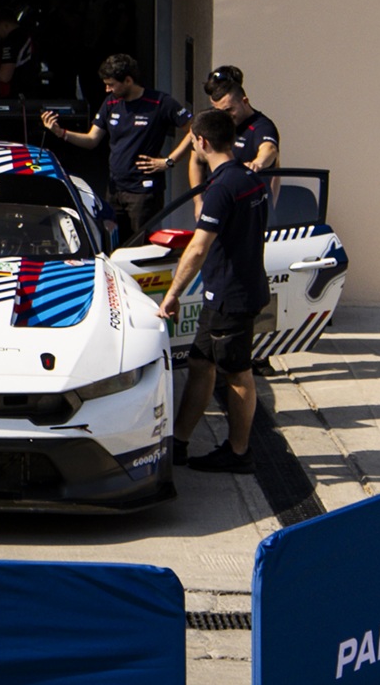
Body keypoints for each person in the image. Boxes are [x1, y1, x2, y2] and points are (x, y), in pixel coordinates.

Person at [158, 110, 269, 473]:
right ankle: (179, 443)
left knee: (237, 373)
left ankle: (239, 454)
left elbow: (198, 247)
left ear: (201, 142)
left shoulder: (221, 188)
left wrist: (172, 294)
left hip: (229, 296)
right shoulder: (251, 179)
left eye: (192, 141)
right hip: (230, 291)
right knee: (201, 363)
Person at [41, 54, 192, 246]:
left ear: (128, 80)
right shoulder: (111, 103)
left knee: (139, 246)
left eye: (111, 84)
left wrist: (169, 161)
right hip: (114, 189)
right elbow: (92, 139)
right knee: (111, 243)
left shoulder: (160, 102)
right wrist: (61, 133)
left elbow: (195, 129)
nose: (107, 89)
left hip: (142, 192)